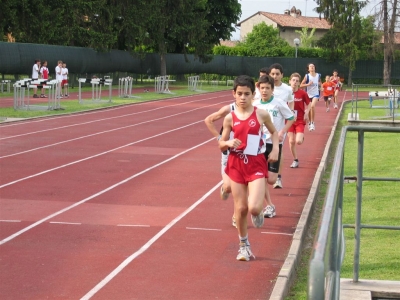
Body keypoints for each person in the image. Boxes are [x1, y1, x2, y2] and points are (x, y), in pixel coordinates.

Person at [219, 75, 279, 261]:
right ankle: (243, 245)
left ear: (253, 94)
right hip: (236, 165)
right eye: (239, 94)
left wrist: (275, 149)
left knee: (253, 207)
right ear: (234, 94)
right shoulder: (230, 118)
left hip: (256, 164)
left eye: (246, 94)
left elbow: (274, 132)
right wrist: (228, 142)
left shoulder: (261, 114)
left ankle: (258, 211)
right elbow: (221, 144)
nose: (243, 97)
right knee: (241, 207)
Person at [253, 75, 294, 218]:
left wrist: (283, 131)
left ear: (272, 90)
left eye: (267, 88)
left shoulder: (279, 103)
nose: (264, 91)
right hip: (258, 145)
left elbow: (291, 118)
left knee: (270, 179)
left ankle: (264, 204)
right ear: (259, 88)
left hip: (274, 144)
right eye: (262, 88)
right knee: (260, 177)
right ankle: (268, 205)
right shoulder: (255, 105)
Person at [268, 63, 294, 189]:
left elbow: (291, 102)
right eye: (272, 74)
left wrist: (288, 113)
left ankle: (278, 177)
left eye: (277, 74)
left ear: (282, 75)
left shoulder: (287, 89)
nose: (275, 76)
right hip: (263, 128)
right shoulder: (264, 88)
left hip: (279, 126)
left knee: (279, 150)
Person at [288, 73, 311, 168]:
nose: (295, 82)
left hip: (300, 120)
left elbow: (309, 104)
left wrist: (306, 112)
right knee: (291, 141)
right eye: (293, 80)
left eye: (297, 81)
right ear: (290, 81)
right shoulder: (286, 93)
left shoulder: (302, 93)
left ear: (299, 83)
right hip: (289, 120)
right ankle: (295, 159)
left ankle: (301, 136)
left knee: (298, 141)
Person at [300, 63, 322, 131]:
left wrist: (321, 87)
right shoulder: (307, 76)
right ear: (308, 69)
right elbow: (301, 85)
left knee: (312, 106)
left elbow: (320, 83)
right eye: (310, 66)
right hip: (308, 94)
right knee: (309, 109)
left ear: (315, 68)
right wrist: (308, 84)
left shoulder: (318, 75)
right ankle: (310, 123)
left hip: (315, 94)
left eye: (313, 66)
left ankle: (312, 122)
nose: (312, 67)